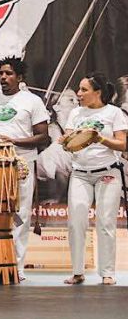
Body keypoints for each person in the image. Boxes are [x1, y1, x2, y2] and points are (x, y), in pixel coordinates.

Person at [0, 56, 50, 281]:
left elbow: (43, 137)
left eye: (8, 74)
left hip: (22, 164)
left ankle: (16, 268)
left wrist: (14, 141)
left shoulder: (32, 101)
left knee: (20, 215)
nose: (3, 78)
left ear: (20, 77)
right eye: (1, 73)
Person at [60, 73, 127, 285]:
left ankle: (107, 272)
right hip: (80, 173)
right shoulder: (75, 113)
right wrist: (66, 140)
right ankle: (78, 271)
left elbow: (123, 145)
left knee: (106, 222)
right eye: (78, 90)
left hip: (107, 172)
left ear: (97, 92)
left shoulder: (114, 113)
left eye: (84, 90)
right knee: (76, 222)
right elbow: (68, 142)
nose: (79, 94)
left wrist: (99, 138)